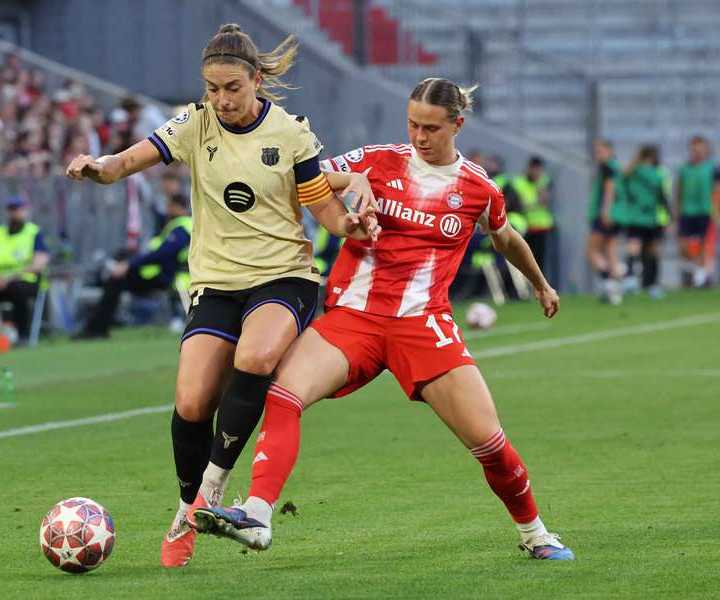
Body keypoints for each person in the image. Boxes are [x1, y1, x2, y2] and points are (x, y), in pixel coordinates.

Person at [193, 78, 574, 561]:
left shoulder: (478, 187)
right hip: (354, 318)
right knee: (284, 394)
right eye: (413, 124)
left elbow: (507, 238)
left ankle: (535, 533)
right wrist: (350, 190)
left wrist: (540, 284)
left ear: (458, 124)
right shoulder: (374, 159)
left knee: (489, 443)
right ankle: (258, 514)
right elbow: (305, 176)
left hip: (423, 325)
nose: (419, 136)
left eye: (432, 128)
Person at [66, 23, 378, 569]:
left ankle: (212, 488)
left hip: (285, 276)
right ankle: (187, 507)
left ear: (255, 80)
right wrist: (101, 168)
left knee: (254, 357)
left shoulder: (291, 134)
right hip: (216, 282)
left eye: (231, 87)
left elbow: (321, 208)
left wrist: (348, 225)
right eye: (212, 87)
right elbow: (127, 161)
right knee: (191, 403)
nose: (221, 99)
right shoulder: (195, 122)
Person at [73, 193, 192, 339]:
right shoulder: (179, 225)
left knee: (115, 280)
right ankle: (97, 326)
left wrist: (130, 264)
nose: (166, 209)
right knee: (115, 280)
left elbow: (162, 254)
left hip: (166, 277)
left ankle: (97, 328)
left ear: (176, 206)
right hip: (161, 274)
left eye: (168, 205)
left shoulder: (181, 227)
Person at [0, 195, 50, 341]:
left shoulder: (34, 233)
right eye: (12, 209)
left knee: (18, 290)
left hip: (24, 281)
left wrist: (9, 278)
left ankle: (23, 335)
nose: (15, 213)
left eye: (18, 209)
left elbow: (39, 263)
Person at [622, 145, 668, 299]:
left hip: (634, 217)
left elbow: (624, 188)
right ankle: (652, 285)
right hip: (651, 219)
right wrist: (670, 217)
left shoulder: (632, 172)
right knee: (652, 252)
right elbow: (662, 197)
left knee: (633, 248)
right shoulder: (657, 174)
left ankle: (630, 279)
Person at [587, 139, 624, 304]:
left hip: (605, 214)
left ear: (609, 151)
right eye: (597, 151)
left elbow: (610, 189)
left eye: (601, 151)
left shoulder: (607, 168)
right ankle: (616, 289)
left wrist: (605, 210)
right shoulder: (615, 167)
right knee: (610, 252)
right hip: (616, 214)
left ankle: (610, 282)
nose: (598, 154)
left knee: (591, 252)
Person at [676, 136, 715, 287]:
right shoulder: (684, 169)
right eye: (694, 148)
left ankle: (703, 276)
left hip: (705, 211)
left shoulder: (712, 168)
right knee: (684, 246)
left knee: (705, 245)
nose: (697, 151)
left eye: (700, 148)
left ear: (705, 150)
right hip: (687, 211)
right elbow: (679, 190)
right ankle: (698, 269)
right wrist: (676, 212)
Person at [512, 156, 554, 278]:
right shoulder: (519, 182)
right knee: (524, 258)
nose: (535, 172)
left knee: (540, 259)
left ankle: (539, 286)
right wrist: (533, 203)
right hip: (525, 226)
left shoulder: (543, 181)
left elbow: (545, 199)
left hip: (541, 227)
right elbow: (519, 205)